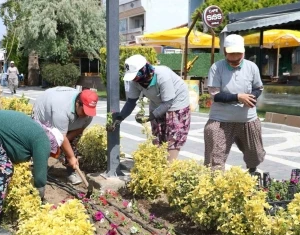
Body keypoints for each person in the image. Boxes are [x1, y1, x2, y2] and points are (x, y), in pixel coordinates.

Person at [108, 54, 191, 162]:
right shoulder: (135, 81)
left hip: (176, 102)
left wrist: (150, 117)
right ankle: (158, 165)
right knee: (157, 137)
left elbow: (168, 103)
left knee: (173, 137)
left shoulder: (162, 75)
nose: (134, 78)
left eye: (136, 75)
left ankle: (169, 168)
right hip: (157, 103)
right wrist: (120, 117)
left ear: (144, 69)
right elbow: (131, 101)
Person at [204, 34, 266, 172]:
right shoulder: (216, 67)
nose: (235, 58)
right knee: (215, 157)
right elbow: (215, 95)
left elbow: (258, 88)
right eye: (232, 54)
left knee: (255, 154)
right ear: (225, 51)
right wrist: (238, 97)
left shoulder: (252, 67)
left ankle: (252, 171)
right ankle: (215, 185)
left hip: (247, 119)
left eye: (238, 54)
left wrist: (251, 98)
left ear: (243, 52)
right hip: (220, 120)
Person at [32, 87, 98, 185]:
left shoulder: (88, 112)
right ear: (77, 103)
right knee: (45, 142)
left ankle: (71, 172)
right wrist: (70, 156)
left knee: (70, 145)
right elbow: (61, 136)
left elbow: (79, 129)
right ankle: (40, 170)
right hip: (44, 115)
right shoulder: (61, 109)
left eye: (88, 112)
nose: (86, 115)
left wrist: (68, 150)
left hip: (63, 120)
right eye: (84, 111)